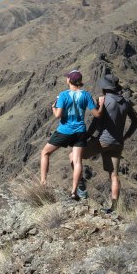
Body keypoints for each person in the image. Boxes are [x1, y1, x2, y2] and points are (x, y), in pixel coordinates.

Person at [70, 74, 137, 213]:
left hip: (102, 141)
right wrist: (126, 136)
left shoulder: (104, 101)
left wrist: (87, 136)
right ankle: (114, 208)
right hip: (118, 143)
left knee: (73, 156)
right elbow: (136, 121)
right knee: (114, 175)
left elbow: (96, 122)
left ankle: (81, 188)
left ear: (105, 87)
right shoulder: (125, 101)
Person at [40, 70, 103, 199]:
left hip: (64, 131)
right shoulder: (86, 95)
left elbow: (58, 115)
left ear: (69, 80)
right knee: (77, 161)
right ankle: (74, 192)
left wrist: (53, 108)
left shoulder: (63, 95)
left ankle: (43, 182)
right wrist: (100, 105)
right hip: (80, 132)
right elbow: (97, 114)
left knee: (45, 153)